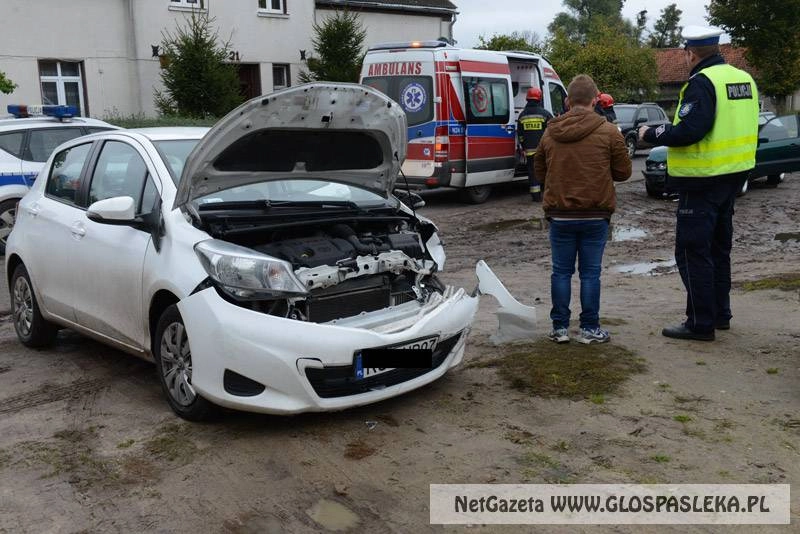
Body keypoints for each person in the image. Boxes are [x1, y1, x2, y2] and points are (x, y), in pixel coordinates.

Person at [638, 25, 759, 341]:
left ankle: (700, 323)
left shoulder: (702, 83)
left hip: (702, 180)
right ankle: (720, 314)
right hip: (734, 176)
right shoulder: (743, 79)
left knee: (692, 252)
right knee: (719, 249)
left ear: (691, 53)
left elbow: (689, 131)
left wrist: (652, 134)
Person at [534, 74, 632, 344]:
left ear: (567, 101)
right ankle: (590, 328)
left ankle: (560, 328)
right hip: (595, 213)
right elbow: (624, 172)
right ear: (595, 99)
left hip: (560, 214)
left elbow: (539, 172)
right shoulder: (609, 131)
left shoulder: (550, 132)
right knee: (590, 273)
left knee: (561, 271)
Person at [517, 87, 553, 202]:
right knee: (548, 172)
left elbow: (520, 134)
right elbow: (552, 132)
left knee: (533, 172)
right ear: (539, 99)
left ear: (527, 99)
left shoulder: (522, 115)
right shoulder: (545, 114)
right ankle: (549, 195)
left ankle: (535, 196)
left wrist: (523, 147)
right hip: (544, 150)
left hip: (529, 151)